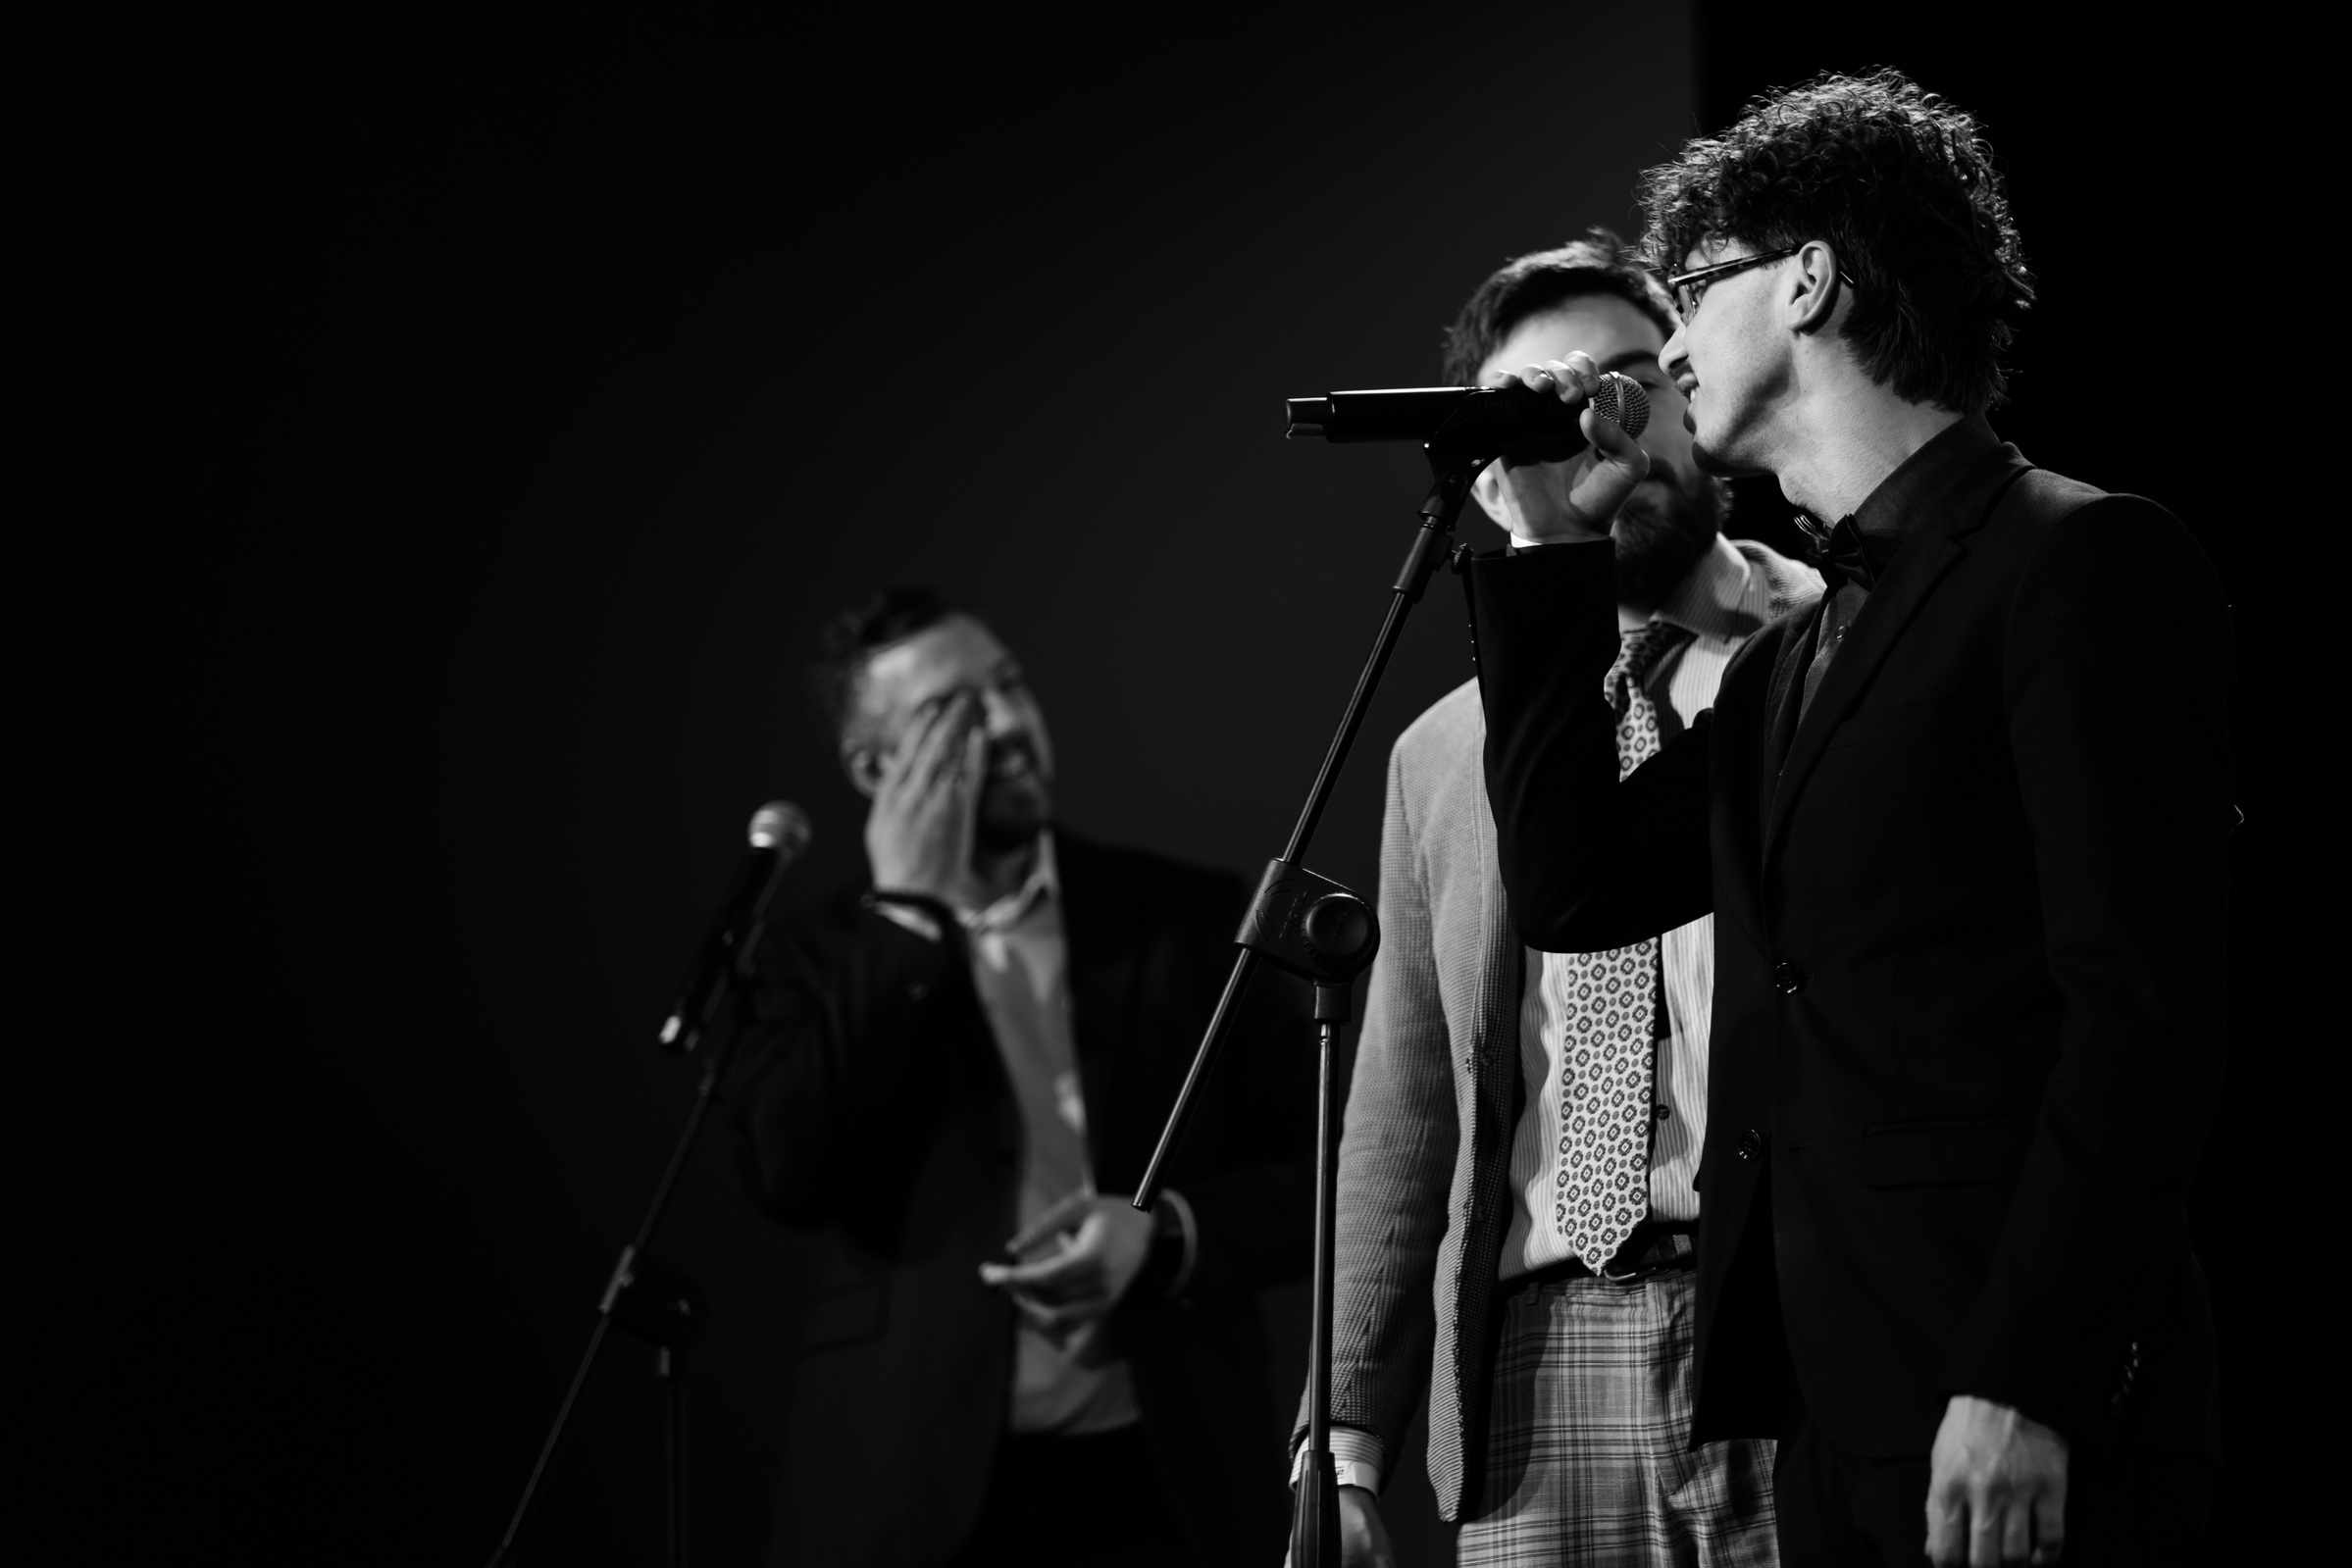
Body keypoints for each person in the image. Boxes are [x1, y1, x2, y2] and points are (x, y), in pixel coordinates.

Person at [1464, 72, 2232, 1568]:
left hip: (2020, 1404)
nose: (1668, 346)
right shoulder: (1792, 658)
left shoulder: (2074, 559)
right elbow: (1575, 883)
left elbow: (2141, 1019)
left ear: (1809, 280)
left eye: (1694, 287)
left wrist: (2028, 1372)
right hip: (1832, 1416)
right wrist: (1546, 544)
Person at [1296, 229, 1814, 1567]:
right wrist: (1342, 1436)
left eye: (1632, 381)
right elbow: (1406, 1101)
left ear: (1694, 394)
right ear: (1488, 473)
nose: (1600, 431)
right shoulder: (1442, 754)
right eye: (1544, 408)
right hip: (1538, 1357)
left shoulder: (1828, 646)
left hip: (1789, 1313)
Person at [733, 586, 1315, 1566]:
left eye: (1008, 685)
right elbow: (791, 1173)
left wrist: (1165, 1233)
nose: (1005, 722)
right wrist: (904, 918)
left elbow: (1330, 1176)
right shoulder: (809, 957)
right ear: (874, 767)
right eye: (951, 712)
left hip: (1165, 1477)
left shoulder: (1184, 918)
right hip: (911, 1488)